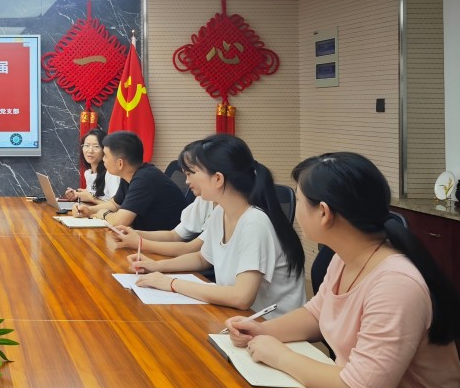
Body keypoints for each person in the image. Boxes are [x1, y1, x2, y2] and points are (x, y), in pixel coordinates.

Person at [225, 152, 460, 388]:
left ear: (324, 213)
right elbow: (317, 314)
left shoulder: (395, 283)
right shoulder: (345, 257)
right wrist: (262, 330)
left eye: (299, 201)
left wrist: (279, 356)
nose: (296, 211)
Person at [128, 134, 305, 315]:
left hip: (267, 325)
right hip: (236, 318)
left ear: (218, 178)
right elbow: (202, 258)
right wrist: (157, 267)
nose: (187, 181)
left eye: (192, 173)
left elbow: (242, 297)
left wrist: (172, 284)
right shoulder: (220, 212)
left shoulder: (255, 222)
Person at [108, 139, 212, 256]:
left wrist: (140, 243)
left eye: (190, 173)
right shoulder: (203, 200)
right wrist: (134, 234)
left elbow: (193, 251)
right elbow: (174, 235)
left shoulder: (145, 177)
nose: (187, 181)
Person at [73, 131, 185, 230]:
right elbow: (115, 205)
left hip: (163, 241)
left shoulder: (144, 179)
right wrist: (89, 210)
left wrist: (104, 214)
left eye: (106, 156)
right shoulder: (129, 175)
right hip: (143, 235)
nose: (103, 159)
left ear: (120, 163)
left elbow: (120, 222)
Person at [63, 128, 122, 205]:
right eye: (87, 145)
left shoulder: (111, 174)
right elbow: (92, 197)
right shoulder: (88, 173)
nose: (90, 151)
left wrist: (91, 198)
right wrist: (77, 195)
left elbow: (117, 206)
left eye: (96, 146)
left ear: (105, 150)